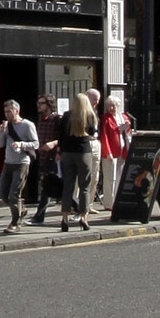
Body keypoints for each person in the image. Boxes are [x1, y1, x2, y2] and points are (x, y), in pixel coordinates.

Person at [0, 100, 38, 232]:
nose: (7, 114)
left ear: (17, 111)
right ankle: (21, 210)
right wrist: (1, 131)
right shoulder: (6, 126)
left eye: (9, 111)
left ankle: (15, 223)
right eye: (5, 112)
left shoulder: (27, 125)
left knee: (14, 194)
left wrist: (21, 144)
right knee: (3, 193)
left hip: (22, 163)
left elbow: (36, 144)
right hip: (8, 163)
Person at [57, 91, 98, 230]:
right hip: (83, 152)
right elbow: (92, 132)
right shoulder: (90, 115)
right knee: (84, 186)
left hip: (67, 153)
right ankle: (84, 217)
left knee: (68, 186)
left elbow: (60, 135)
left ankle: (64, 218)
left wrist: (59, 151)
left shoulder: (66, 116)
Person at [94, 88, 132, 209]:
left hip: (122, 150)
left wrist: (127, 127)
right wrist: (107, 152)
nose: (110, 108)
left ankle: (117, 199)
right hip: (111, 151)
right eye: (108, 106)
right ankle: (109, 203)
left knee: (119, 177)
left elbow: (128, 133)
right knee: (110, 178)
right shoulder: (105, 118)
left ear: (118, 106)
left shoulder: (123, 117)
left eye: (113, 105)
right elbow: (104, 136)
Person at [29, 95, 61, 225]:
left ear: (49, 104)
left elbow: (63, 137)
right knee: (56, 187)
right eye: (38, 103)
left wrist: (54, 144)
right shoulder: (41, 120)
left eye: (41, 103)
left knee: (47, 187)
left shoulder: (57, 119)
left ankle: (39, 217)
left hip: (53, 157)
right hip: (42, 156)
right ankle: (80, 209)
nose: (39, 106)